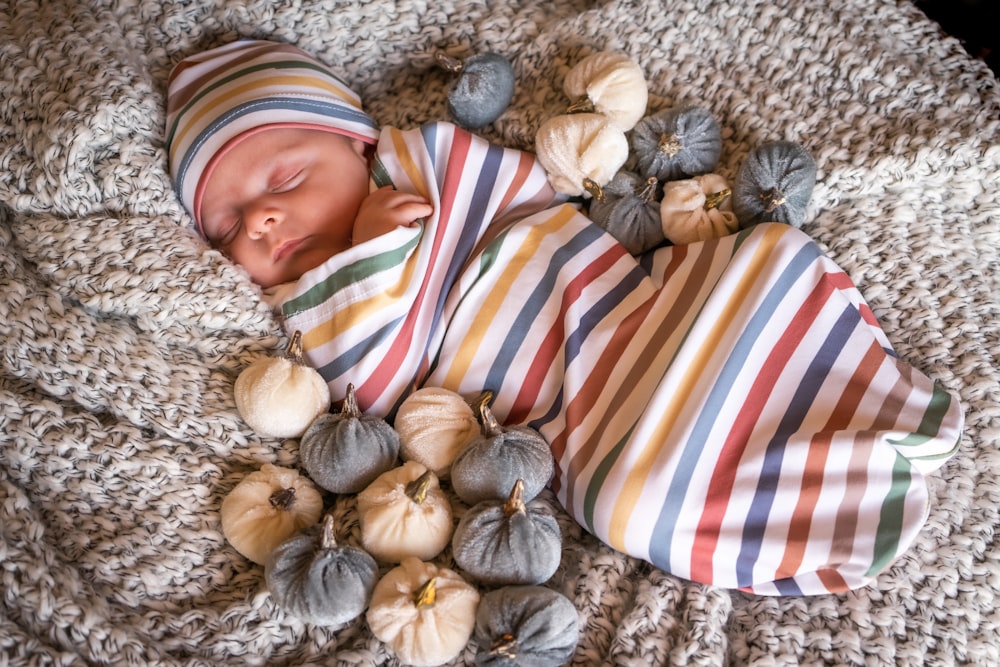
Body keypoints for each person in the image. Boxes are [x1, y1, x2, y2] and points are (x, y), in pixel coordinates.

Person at [166, 39, 964, 595]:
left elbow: (532, 198)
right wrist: (371, 254)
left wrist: (410, 213)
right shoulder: (312, 314)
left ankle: (870, 408)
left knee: (768, 256)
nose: (263, 220)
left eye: (285, 175)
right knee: (635, 497)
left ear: (356, 143)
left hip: (642, 303)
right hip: (585, 411)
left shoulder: (425, 160)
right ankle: (824, 502)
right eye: (230, 226)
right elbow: (373, 382)